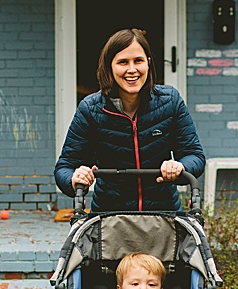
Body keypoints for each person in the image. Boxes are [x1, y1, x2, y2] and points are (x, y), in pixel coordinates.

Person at [55, 28, 206, 212]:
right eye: (123, 62)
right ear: (110, 66)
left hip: (163, 217)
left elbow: (195, 156)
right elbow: (64, 167)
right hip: (110, 219)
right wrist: (74, 178)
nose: (132, 69)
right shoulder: (91, 109)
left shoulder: (170, 102)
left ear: (148, 63)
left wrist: (180, 166)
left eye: (138, 61)